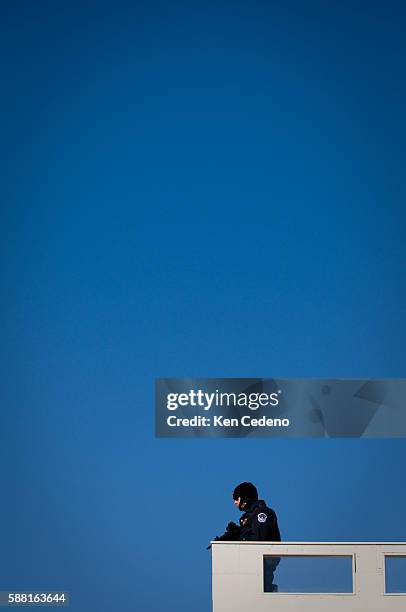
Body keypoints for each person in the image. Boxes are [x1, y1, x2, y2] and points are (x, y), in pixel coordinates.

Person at [210, 482, 281, 591]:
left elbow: (259, 540)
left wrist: (240, 537)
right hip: (253, 568)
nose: (234, 502)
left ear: (245, 498)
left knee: (260, 593)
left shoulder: (261, 513)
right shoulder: (248, 517)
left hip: (262, 568)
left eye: (236, 498)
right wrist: (234, 535)